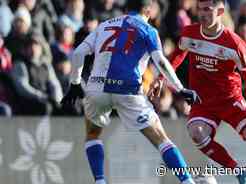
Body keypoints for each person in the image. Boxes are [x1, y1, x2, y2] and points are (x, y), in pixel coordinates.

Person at [149, 0, 246, 184]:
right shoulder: (190, 33)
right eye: (199, 9)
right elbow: (177, 56)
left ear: (221, 11)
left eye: (207, 9)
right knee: (196, 132)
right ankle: (239, 171)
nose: (202, 14)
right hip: (203, 101)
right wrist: (160, 78)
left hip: (231, 100)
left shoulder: (234, 44)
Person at [60, 1, 200, 184]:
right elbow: (161, 62)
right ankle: (187, 181)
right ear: (148, 10)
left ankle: (100, 181)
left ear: (126, 9)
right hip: (128, 91)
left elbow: (78, 53)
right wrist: (180, 88)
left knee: (93, 134)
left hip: (96, 89)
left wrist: (75, 83)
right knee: (161, 139)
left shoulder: (104, 25)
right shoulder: (148, 30)